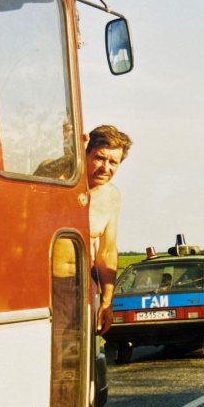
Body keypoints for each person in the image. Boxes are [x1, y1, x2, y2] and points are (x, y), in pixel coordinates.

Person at [86, 124, 133, 335]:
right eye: (100, 158)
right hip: (45, 284)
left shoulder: (111, 196)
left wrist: (107, 301)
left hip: (84, 286)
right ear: (85, 153)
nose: (106, 168)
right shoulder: (60, 180)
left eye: (113, 162)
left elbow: (106, 252)